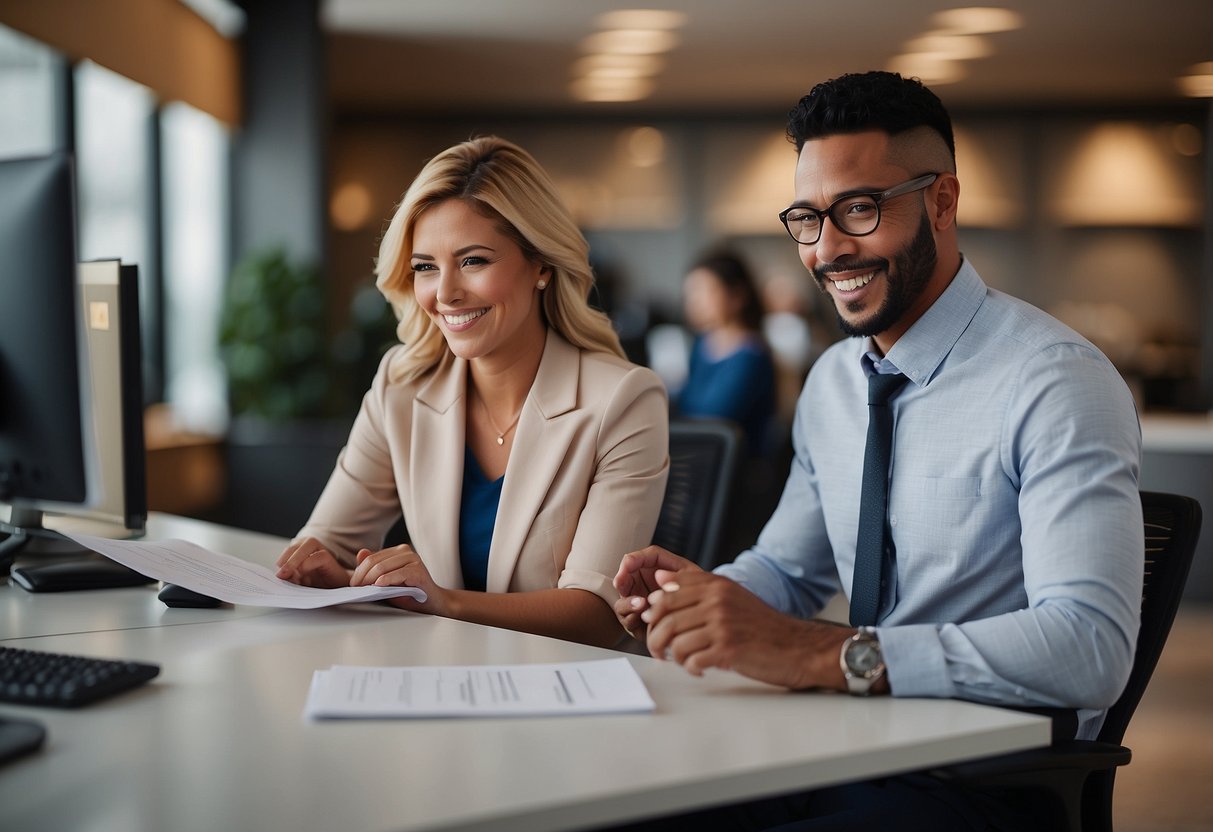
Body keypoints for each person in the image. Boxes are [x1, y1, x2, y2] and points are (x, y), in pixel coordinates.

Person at [613, 71, 1143, 829]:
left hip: (982, 779)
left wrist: (818, 656)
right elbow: (788, 571)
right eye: (807, 218)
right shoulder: (833, 382)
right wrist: (698, 604)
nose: (827, 249)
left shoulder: (1054, 382)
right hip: (846, 741)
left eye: (858, 210)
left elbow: (1088, 647)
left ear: (942, 202)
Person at [276, 136, 669, 649]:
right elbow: (327, 544)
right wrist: (324, 573)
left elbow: (597, 614)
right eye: (425, 267)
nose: (444, 294)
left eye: (474, 261)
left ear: (541, 265)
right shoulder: (402, 383)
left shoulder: (624, 399)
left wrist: (442, 600)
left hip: (566, 691)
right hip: (442, 674)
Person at [675, 249, 777, 457]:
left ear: (737, 296)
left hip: (733, 469)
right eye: (691, 293)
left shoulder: (751, 355)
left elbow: (714, 418)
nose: (694, 302)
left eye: (705, 291)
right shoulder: (702, 344)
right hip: (698, 459)